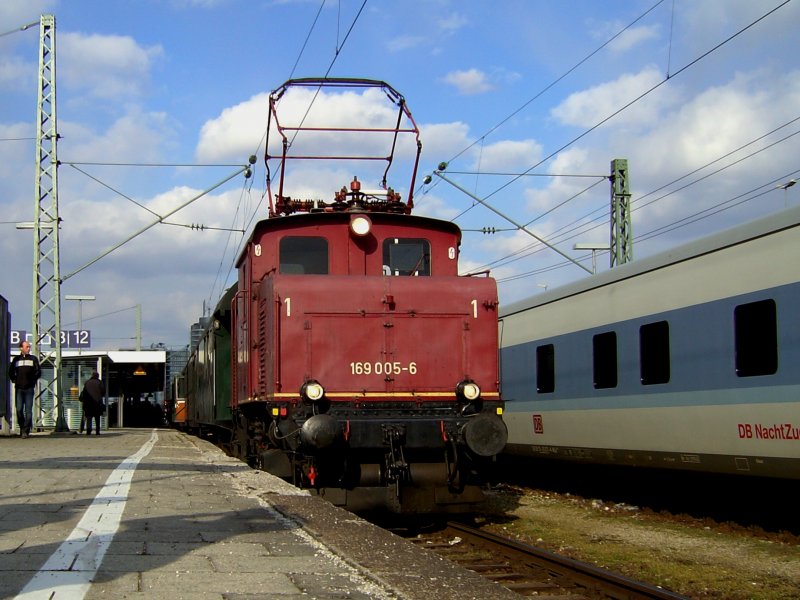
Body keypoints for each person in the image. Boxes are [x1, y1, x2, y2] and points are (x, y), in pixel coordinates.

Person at [7, 340, 41, 438]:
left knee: (29, 411)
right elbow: (10, 371)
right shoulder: (16, 360)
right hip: (19, 388)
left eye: (29, 347)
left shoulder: (33, 359)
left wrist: (33, 380)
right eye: (27, 347)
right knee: (19, 410)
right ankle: (22, 428)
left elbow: (38, 371)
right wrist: (14, 379)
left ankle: (26, 431)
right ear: (21, 348)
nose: (28, 348)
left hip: (29, 388)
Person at [80, 371, 105, 436]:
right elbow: (103, 392)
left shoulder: (87, 382)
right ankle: (97, 431)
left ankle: (88, 430)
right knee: (97, 418)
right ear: (97, 376)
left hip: (88, 403)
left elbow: (84, 392)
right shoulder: (100, 382)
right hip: (97, 403)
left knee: (89, 417)